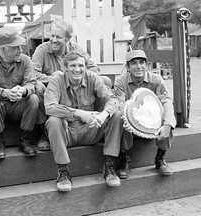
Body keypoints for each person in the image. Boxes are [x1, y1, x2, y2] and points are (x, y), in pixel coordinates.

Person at [44, 51, 123, 192]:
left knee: (116, 114)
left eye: (81, 65)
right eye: (73, 65)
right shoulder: (57, 80)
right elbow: (49, 107)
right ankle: (63, 172)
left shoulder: (93, 78)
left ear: (86, 67)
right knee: (53, 121)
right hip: (66, 133)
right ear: (65, 67)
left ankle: (109, 167)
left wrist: (103, 114)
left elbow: (113, 99)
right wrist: (78, 113)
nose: (77, 69)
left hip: (91, 130)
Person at [32, 19, 112, 151]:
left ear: (68, 39)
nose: (53, 40)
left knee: (105, 81)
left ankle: (97, 122)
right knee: (38, 87)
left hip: (77, 86)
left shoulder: (76, 49)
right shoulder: (41, 50)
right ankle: (43, 132)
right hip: (51, 90)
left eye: (58, 37)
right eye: (52, 36)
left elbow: (94, 69)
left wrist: (79, 74)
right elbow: (33, 75)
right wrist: (54, 78)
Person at [0, 26, 48, 159]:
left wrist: (23, 90)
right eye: (15, 47)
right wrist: (5, 93)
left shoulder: (25, 60)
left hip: (19, 105)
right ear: (2, 48)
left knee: (33, 98)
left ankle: (25, 139)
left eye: (20, 46)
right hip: (0, 107)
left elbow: (32, 82)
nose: (20, 50)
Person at [114, 49, 176, 179]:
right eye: (134, 63)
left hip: (152, 121)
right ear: (128, 67)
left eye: (141, 62)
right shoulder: (120, 82)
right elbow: (119, 104)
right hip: (131, 123)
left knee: (168, 119)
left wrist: (168, 124)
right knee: (120, 117)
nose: (138, 66)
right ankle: (125, 158)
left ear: (146, 65)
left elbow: (166, 101)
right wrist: (126, 120)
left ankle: (160, 158)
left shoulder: (156, 80)